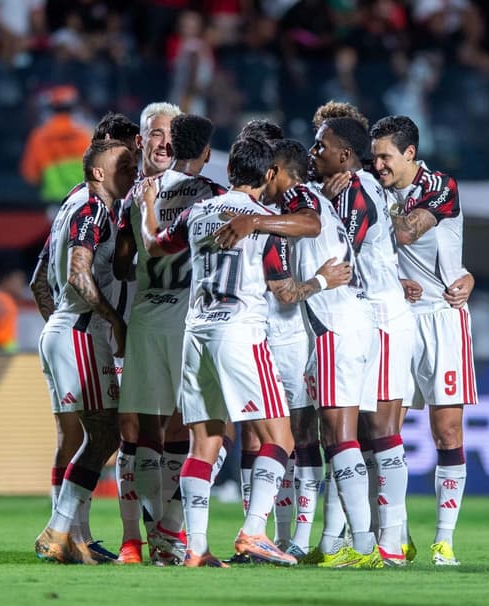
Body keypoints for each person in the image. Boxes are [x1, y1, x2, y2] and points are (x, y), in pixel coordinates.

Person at [138, 137, 351, 567]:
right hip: (240, 332)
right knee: (282, 437)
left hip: (196, 333)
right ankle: (254, 531)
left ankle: (195, 548)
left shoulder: (198, 212)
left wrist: (147, 206)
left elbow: (156, 244)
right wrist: (322, 277)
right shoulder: (267, 220)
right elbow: (296, 261)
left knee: (205, 442)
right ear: (269, 173)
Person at [118, 113, 226, 565]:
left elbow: (123, 263)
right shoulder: (216, 196)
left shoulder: (136, 195)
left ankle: (156, 537)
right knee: (206, 431)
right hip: (189, 318)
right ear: (205, 153)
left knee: (148, 432)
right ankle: (172, 527)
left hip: (145, 317)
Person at [370, 114, 477, 566]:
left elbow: (406, 231)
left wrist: (468, 276)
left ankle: (444, 540)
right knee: (381, 428)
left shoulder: (440, 186)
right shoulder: (372, 188)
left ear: (410, 154)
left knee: (446, 431)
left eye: (385, 157)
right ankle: (397, 536)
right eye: (373, 157)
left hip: (442, 317)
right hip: (394, 317)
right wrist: (393, 279)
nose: (377, 166)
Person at [309, 116, 415, 566]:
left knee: (381, 432)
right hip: (370, 312)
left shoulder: (355, 190)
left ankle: (390, 543)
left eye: (322, 145)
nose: (315, 152)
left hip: (382, 315)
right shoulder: (360, 186)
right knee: (351, 432)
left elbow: (342, 253)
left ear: (346, 156)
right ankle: (339, 542)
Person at [31, 139, 137, 564]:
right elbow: (79, 273)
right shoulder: (93, 209)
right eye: (123, 164)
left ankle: (69, 537)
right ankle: (58, 530)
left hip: (63, 330)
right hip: (79, 331)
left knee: (91, 435)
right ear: (97, 173)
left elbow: (40, 280)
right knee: (105, 433)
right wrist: (113, 319)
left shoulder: (85, 210)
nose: (132, 169)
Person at [111, 101, 186, 565]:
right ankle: (131, 537)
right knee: (133, 433)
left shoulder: (190, 191)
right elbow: (118, 266)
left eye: (172, 135)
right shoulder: (122, 193)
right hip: (125, 323)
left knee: (169, 429)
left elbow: (125, 262)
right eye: (157, 134)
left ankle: (164, 534)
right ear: (141, 140)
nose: (165, 143)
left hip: (172, 323)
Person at [20, 85, 93, 204]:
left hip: (54, 205)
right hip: (84, 201)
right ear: (75, 108)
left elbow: (30, 175)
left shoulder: (39, 136)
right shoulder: (87, 135)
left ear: (50, 109)